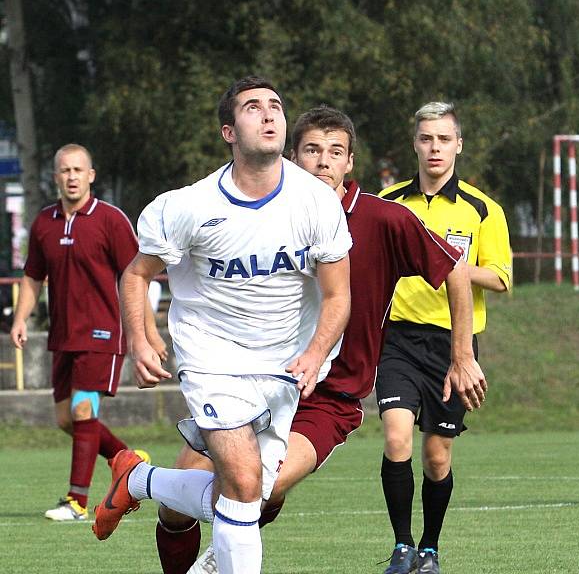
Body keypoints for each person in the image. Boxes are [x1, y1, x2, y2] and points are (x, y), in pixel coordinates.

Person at [93, 104, 487, 574]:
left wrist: (462, 355)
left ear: (350, 162)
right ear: (293, 157)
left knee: (257, 488)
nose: (324, 162)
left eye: (335, 152)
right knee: (179, 511)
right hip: (251, 376)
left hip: (330, 393)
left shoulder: (384, 219)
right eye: (312, 151)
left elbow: (457, 271)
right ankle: (145, 487)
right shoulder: (262, 210)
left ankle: (146, 483)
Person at [92, 79, 352, 574]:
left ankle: (140, 480)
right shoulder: (190, 206)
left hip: (283, 362)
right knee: (240, 475)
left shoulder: (317, 203)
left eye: (275, 105)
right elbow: (136, 274)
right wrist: (140, 339)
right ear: (229, 132)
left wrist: (316, 354)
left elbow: (339, 296)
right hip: (212, 356)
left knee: (250, 492)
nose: (269, 114)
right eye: (253, 108)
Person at [377, 101, 512, 574]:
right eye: (426, 138)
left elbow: (501, 277)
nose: (435, 148)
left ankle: (430, 549)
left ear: (458, 145)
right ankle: (401, 546)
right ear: (415, 143)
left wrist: (449, 265)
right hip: (397, 339)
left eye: (444, 139)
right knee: (397, 438)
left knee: (437, 456)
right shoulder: (389, 201)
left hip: (453, 346)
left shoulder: (482, 209)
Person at [9, 143, 166, 521]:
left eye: (79, 170)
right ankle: (129, 460)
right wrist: (20, 319)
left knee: (83, 410)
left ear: (91, 175)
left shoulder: (110, 220)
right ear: (55, 177)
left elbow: (137, 278)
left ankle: (76, 501)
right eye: (65, 171)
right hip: (62, 337)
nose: (72, 176)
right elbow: (32, 277)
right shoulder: (44, 223)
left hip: (101, 334)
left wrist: (149, 332)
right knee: (67, 419)